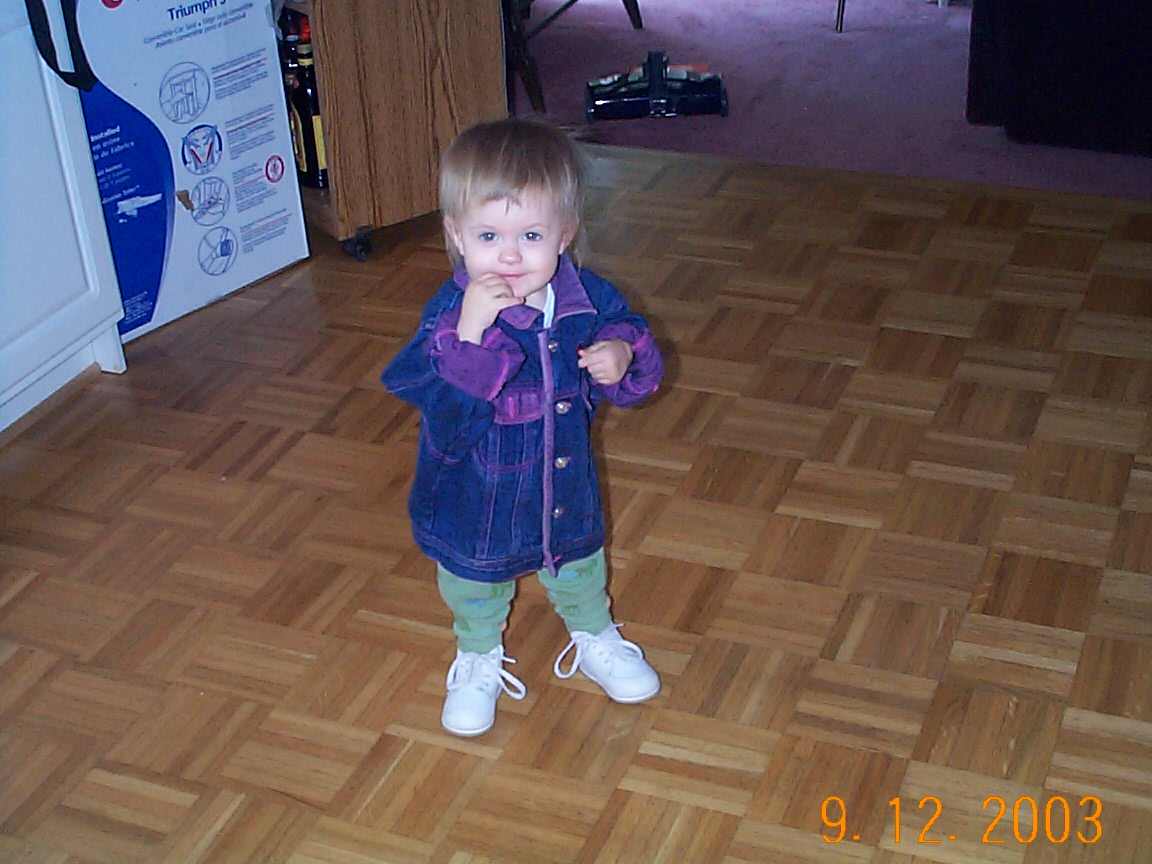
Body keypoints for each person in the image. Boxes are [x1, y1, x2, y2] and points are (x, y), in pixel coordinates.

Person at [382, 117, 665, 737]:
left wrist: (624, 353)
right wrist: (470, 335)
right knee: (473, 579)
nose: (509, 256)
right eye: (488, 236)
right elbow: (444, 417)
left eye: (531, 235)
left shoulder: (587, 298)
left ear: (565, 233)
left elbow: (636, 360)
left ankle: (594, 633)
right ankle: (477, 654)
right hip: (476, 493)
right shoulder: (449, 317)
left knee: (579, 562)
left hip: (563, 481)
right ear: (456, 235)